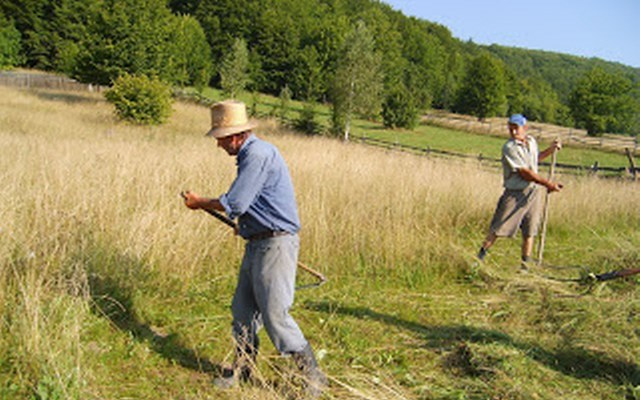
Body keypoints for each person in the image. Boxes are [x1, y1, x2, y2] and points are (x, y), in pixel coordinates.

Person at [182, 100, 326, 397]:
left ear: (235, 136)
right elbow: (251, 204)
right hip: (258, 242)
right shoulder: (253, 155)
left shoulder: (257, 155)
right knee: (243, 310)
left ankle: (313, 378)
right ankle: (244, 369)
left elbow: (235, 202)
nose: (219, 145)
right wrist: (246, 225)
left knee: (275, 315)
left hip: (275, 245)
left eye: (221, 138)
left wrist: (199, 203)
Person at [477, 114, 563, 267]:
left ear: (525, 128)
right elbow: (525, 173)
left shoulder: (531, 142)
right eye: (511, 129)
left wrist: (550, 150)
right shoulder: (509, 148)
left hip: (533, 192)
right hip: (515, 194)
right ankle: (478, 260)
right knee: (498, 227)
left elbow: (535, 159)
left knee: (530, 229)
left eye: (516, 129)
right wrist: (548, 184)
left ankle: (525, 265)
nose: (513, 132)